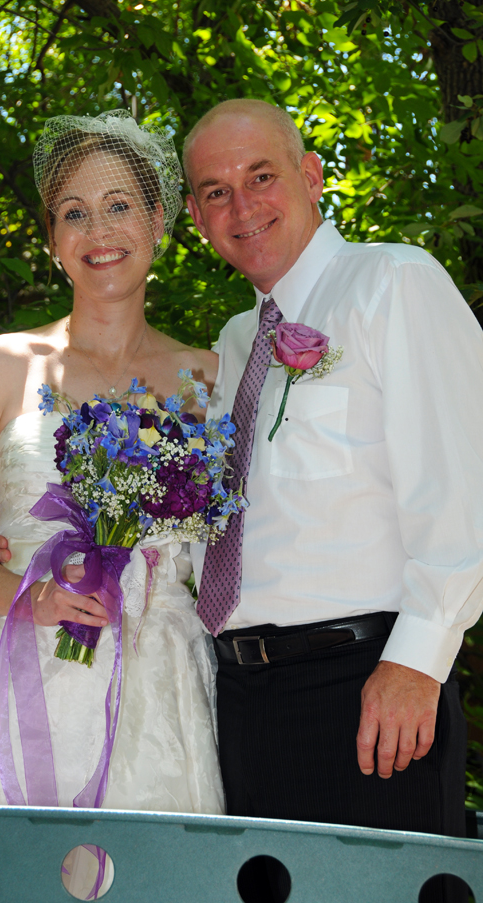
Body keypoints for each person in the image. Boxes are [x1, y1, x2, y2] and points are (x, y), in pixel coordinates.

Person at [0, 111, 223, 899]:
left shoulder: (212, 374)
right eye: (73, 211)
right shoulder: (2, 364)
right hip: (9, 664)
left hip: (158, 682)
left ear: (160, 221)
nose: (97, 228)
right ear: (51, 238)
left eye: (118, 204)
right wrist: (24, 595)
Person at [182, 99, 483, 903]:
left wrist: (416, 661)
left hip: (369, 689)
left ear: (311, 176)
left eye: (260, 176)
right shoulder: (235, 341)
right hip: (242, 704)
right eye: (214, 190)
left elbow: (465, 485)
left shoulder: (395, 281)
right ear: (194, 215)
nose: (241, 206)